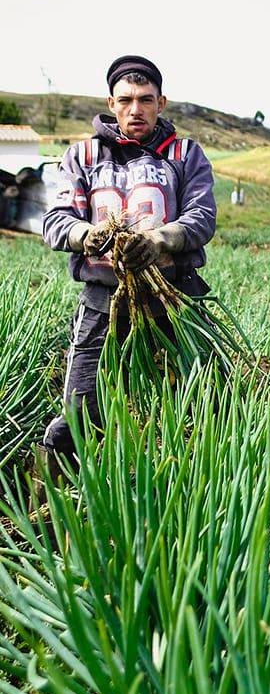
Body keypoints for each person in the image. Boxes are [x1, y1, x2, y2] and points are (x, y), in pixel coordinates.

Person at [37, 55, 216, 470]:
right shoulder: (83, 155)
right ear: (111, 103)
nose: (136, 109)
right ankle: (55, 504)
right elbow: (56, 220)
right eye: (126, 100)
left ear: (161, 103)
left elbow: (201, 217)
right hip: (104, 301)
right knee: (79, 413)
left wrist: (159, 240)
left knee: (201, 406)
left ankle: (196, 489)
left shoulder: (185, 154)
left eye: (146, 100)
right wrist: (87, 235)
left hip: (175, 299)